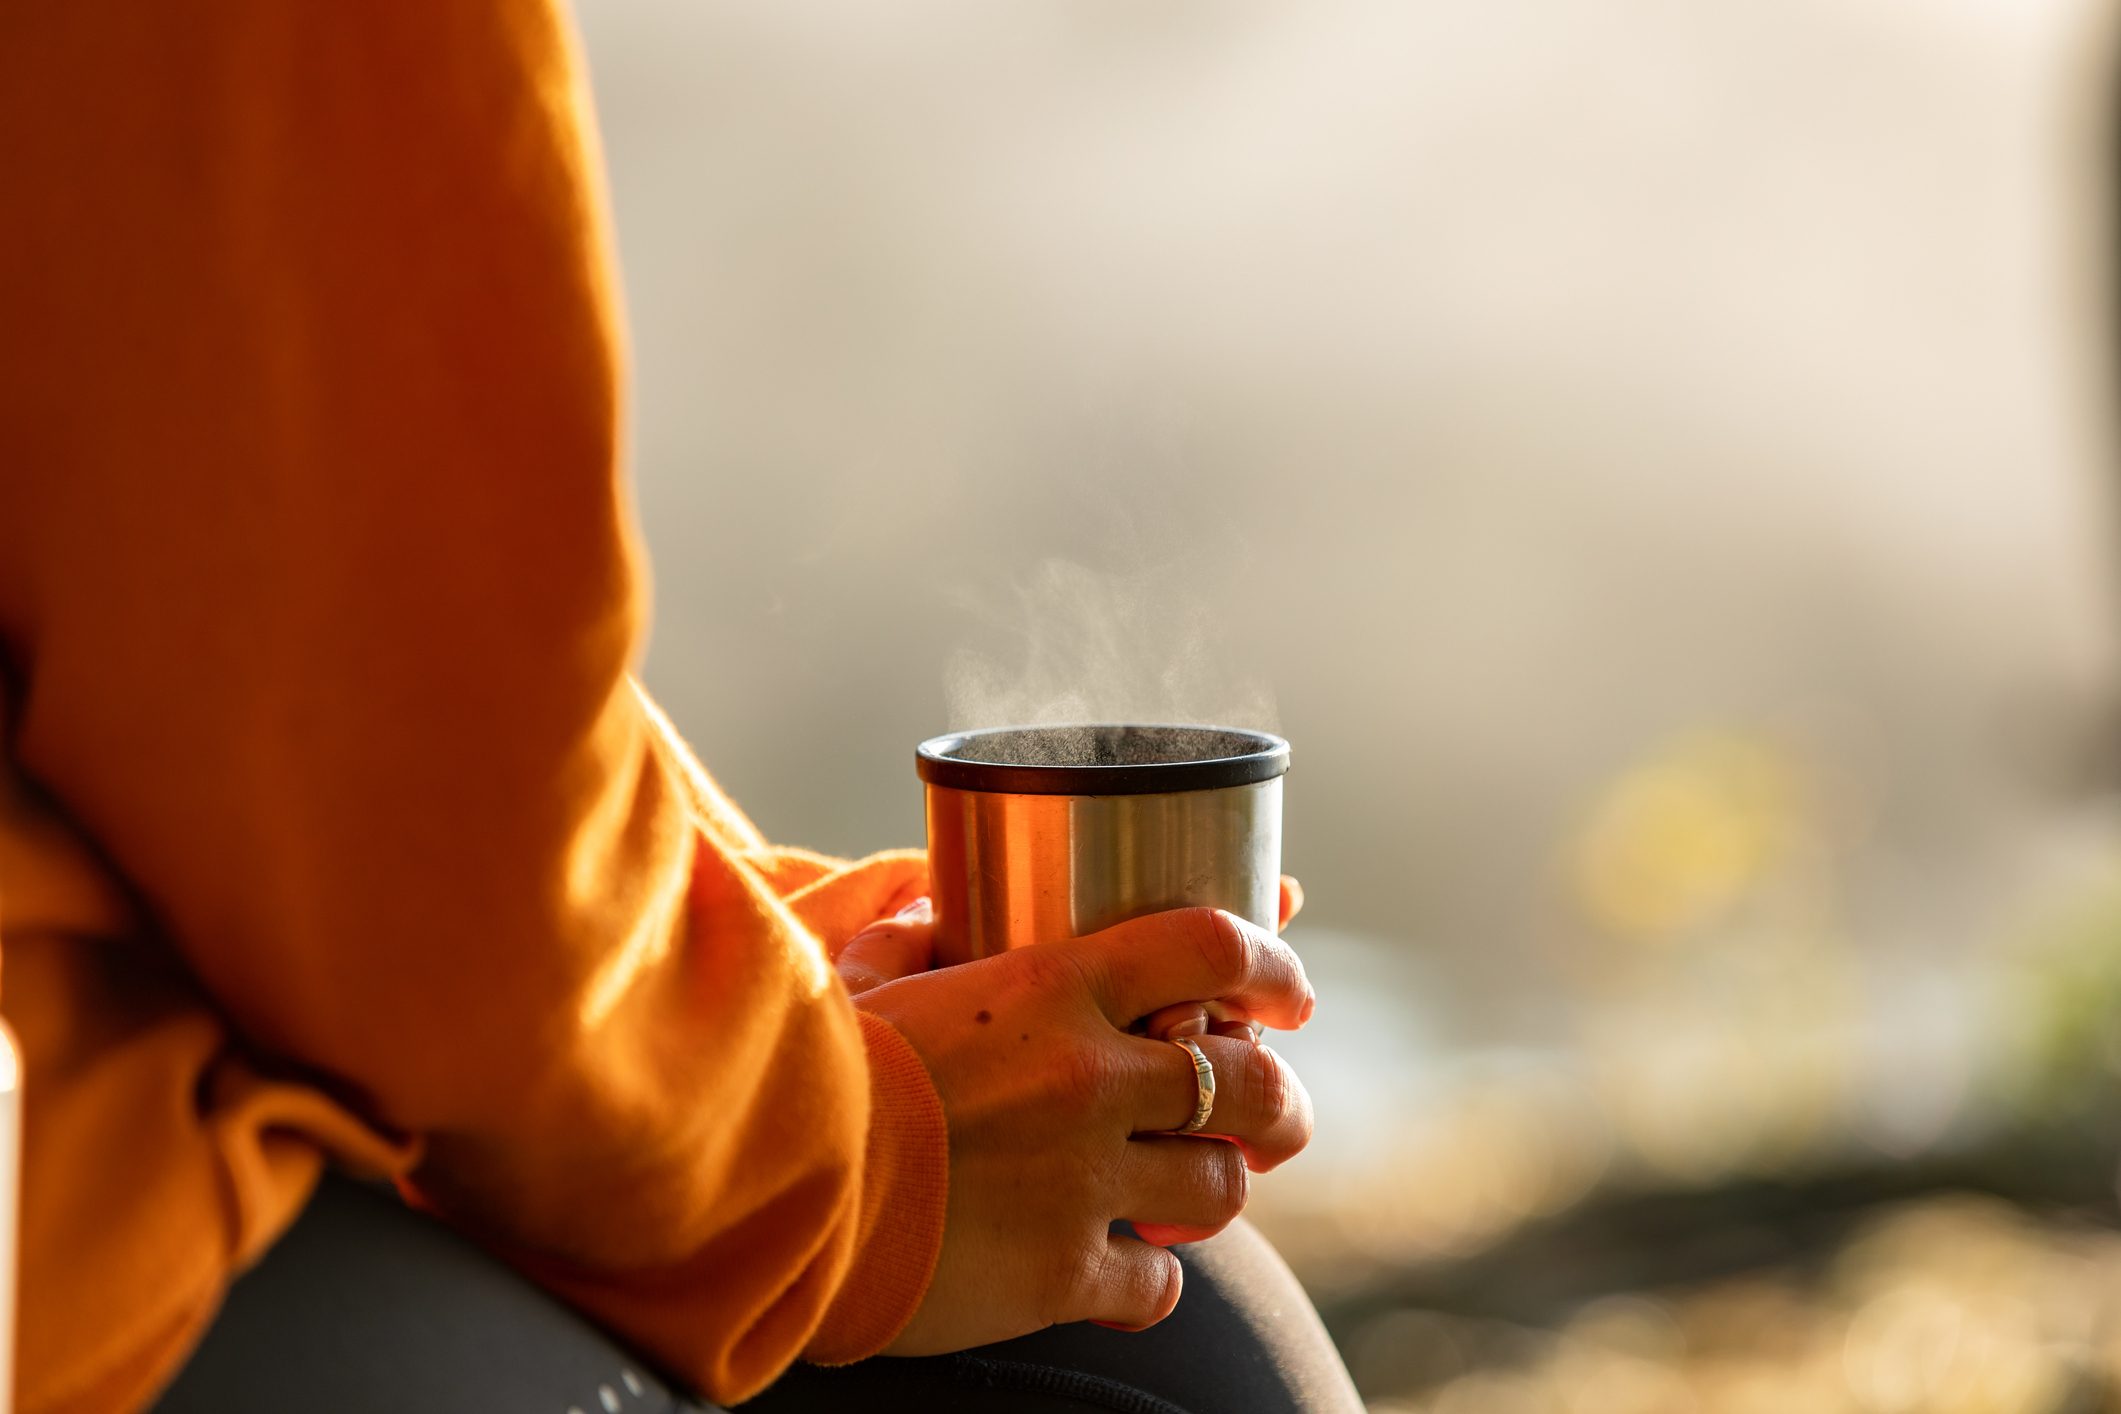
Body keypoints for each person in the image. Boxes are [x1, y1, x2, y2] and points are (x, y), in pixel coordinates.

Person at [0, 4, 1357, 1412]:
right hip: (49, 1249)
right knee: (1168, 1354)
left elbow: (275, 631)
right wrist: (858, 1157)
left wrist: (734, 965)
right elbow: (423, 873)